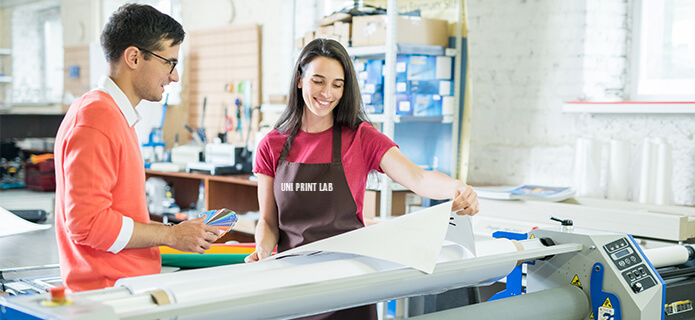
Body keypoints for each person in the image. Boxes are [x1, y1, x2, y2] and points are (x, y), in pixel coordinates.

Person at [245, 38, 479, 319]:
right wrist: (262, 249)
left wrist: (458, 188)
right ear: (299, 79)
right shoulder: (271, 145)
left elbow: (417, 177)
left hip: (351, 283)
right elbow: (269, 221)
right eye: (318, 81)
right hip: (294, 285)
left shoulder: (361, 137)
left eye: (337, 84)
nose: (327, 93)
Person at [54, 4, 221, 292]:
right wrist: (172, 235)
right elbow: (88, 224)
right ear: (133, 57)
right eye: (169, 62)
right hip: (110, 294)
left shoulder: (114, 115)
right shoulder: (96, 118)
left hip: (125, 288)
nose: (174, 76)